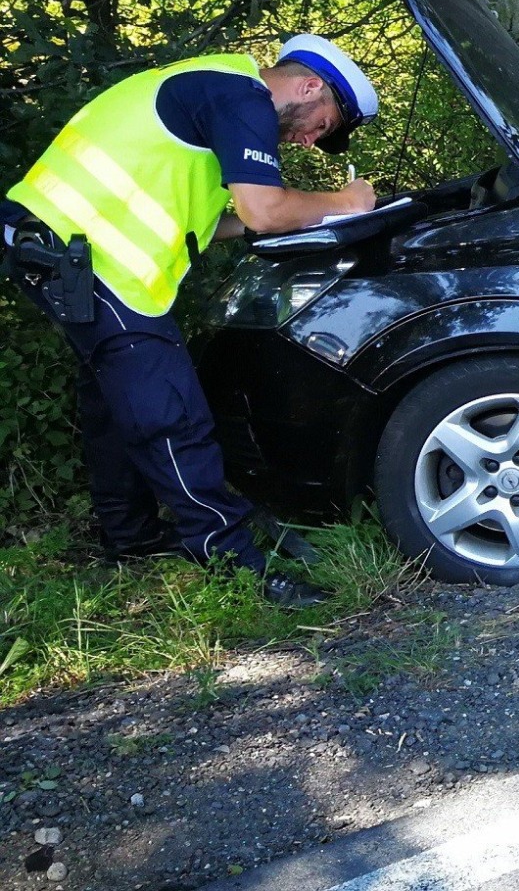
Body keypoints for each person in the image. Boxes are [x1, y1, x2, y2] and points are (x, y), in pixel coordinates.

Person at [0, 36, 380, 606]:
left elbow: (219, 219)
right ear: (308, 86)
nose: (306, 139)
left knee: (113, 399)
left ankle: (130, 538)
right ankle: (233, 561)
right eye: (321, 126)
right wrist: (344, 204)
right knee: (169, 412)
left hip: (53, 245)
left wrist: (274, 224)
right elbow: (266, 208)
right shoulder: (241, 97)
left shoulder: (212, 88)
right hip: (83, 259)